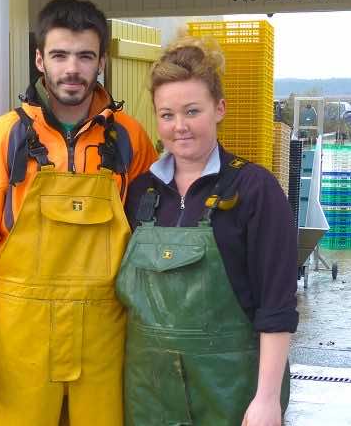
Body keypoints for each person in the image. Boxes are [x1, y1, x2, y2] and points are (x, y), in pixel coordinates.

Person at [0, 0, 157, 426]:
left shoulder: (130, 141)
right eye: (60, 55)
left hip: (107, 336)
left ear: (101, 62)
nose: (72, 69)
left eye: (85, 56)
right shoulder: (2, 140)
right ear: (40, 60)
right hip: (20, 340)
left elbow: (152, 244)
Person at [116, 37, 298, 426]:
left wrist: (266, 400)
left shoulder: (254, 190)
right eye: (166, 115)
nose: (178, 127)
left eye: (192, 111)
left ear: (219, 109)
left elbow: (277, 305)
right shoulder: (139, 193)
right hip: (149, 393)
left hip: (232, 390)